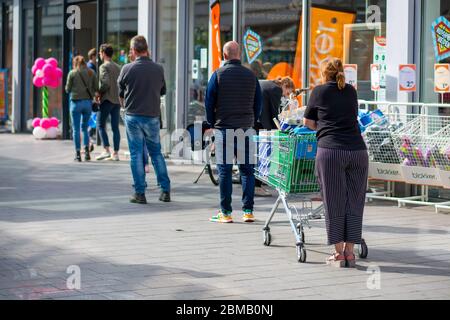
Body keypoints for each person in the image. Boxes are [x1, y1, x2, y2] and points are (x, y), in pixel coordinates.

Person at [303, 58, 369, 268]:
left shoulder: (318, 91)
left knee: (334, 202)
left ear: (324, 73)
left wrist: (323, 130)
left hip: (331, 152)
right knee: (355, 202)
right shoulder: (351, 91)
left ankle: (338, 253)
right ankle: (350, 252)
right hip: (358, 151)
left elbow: (308, 123)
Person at [205, 41, 262, 223]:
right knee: (247, 171)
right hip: (246, 128)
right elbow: (258, 103)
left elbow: (208, 102)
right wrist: (251, 120)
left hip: (224, 129)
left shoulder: (218, 75)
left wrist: (213, 123)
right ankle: (248, 211)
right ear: (240, 55)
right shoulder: (251, 76)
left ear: (224, 55)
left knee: (225, 171)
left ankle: (226, 213)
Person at [118, 35, 171, 204]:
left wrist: (125, 105)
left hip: (133, 116)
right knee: (156, 153)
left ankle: (140, 193)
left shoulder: (126, 69)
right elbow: (163, 91)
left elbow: (120, 93)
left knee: (135, 154)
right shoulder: (158, 69)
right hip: (152, 116)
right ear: (147, 49)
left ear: (133, 51)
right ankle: (165, 190)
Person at [254, 76, 295, 197]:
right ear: (285, 86)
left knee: (255, 152)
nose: (286, 96)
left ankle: (257, 182)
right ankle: (257, 185)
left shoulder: (268, 83)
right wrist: (278, 129)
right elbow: (273, 112)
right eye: (288, 92)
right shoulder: (276, 89)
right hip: (260, 121)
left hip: (253, 119)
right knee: (261, 153)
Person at [65, 56, 98, 162]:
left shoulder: (72, 73)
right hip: (87, 103)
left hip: (75, 103)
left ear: (75, 63)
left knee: (76, 129)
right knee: (85, 128)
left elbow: (67, 89)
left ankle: (78, 154)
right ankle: (87, 153)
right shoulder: (91, 72)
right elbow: (96, 88)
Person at [96, 44, 122, 161]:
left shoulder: (103, 67)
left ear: (103, 53)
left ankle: (106, 150)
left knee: (100, 125)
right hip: (117, 100)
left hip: (107, 99)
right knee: (115, 127)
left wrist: (99, 93)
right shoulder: (118, 67)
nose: (99, 55)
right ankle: (115, 153)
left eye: (100, 53)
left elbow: (105, 83)